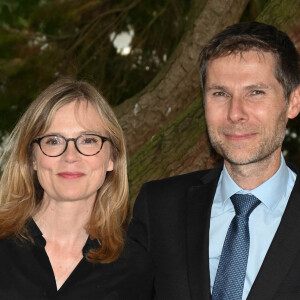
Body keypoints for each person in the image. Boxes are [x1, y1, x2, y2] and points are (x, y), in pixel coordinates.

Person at [128, 21, 300, 300]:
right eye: (220, 94)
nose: (235, 113)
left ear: (293, 102)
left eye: (255, 92)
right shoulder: (159, 207)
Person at [0, 78, 153, 299]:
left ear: (112, 159)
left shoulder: (136, 268)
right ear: (32, 158)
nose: (70, 156)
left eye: (88, 140)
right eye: (53, 141)